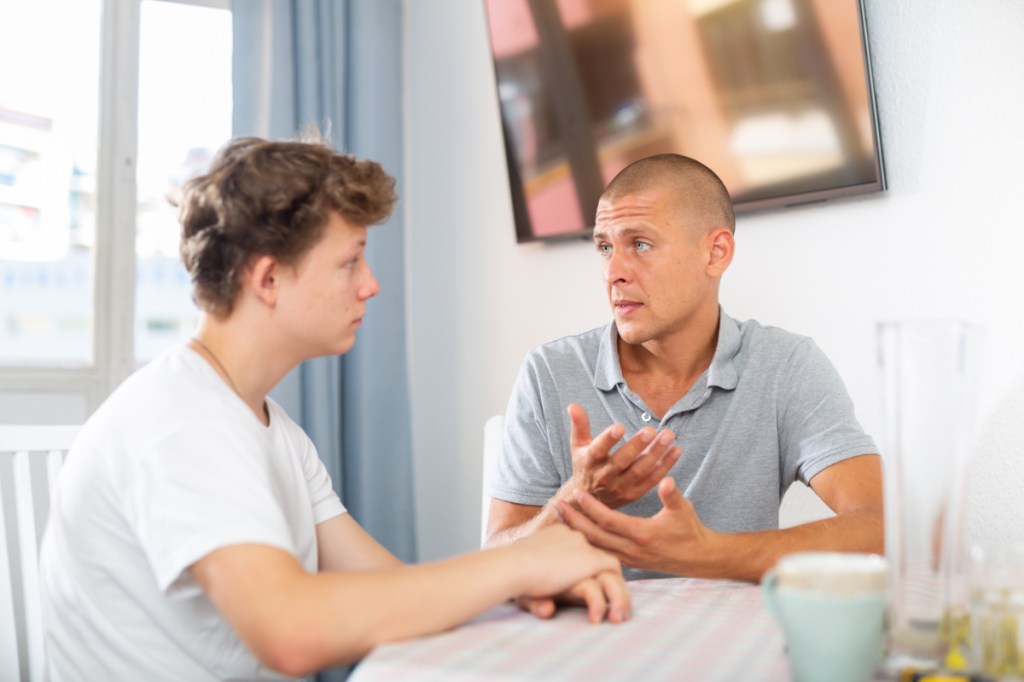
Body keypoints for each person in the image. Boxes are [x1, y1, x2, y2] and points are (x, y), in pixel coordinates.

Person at [39, 135, 629, 682]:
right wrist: (521, 567)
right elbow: (291, 632)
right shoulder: (181, 420)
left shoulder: (269, 428)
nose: (370, 284)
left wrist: (526, 576)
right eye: (350, 261)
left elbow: (390, 588)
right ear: (268, 279)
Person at [484, 153, 883, 583]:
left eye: (640, 244)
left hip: (732, 639)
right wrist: (578, 499)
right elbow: (496, 558)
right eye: (605, 247)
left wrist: (709, 554)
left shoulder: (784, 365)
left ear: (716, 252)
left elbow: (880, 525)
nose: (613, 273)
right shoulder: (550, 372)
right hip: (593, 635)